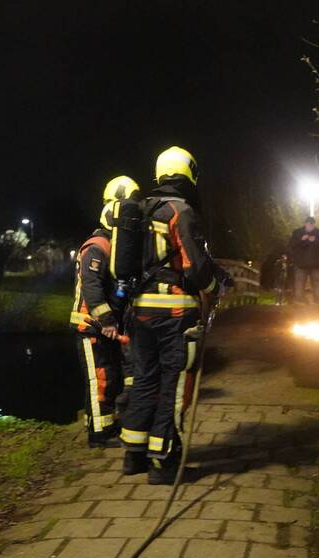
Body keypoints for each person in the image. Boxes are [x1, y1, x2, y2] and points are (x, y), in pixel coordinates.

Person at [121, 147, 225, 483]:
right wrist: (216, 286)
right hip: (175, 311)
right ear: (190, 174)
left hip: (139, 312)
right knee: (174, 384)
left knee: (144, 379)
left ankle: (134, 455)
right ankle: (163, 463)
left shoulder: (139, 210)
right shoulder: (181, 211)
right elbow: (195, 268)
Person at [71, 175, 140, 447]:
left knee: (110, 378)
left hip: (104, 327)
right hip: (89, 326)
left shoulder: (116, 247)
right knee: (99, 379)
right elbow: (91, 285)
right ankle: (98, 435)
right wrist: (108, 319)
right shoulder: (98, 246)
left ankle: (106, 426)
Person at [287, 216, 319, 304]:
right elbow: (291, 245)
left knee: (316, 284)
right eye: (308, 224)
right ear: (305, 224)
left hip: (316, 265)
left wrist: (315, 241)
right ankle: (299, 302)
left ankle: (317, 303)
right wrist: (301, 240)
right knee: (299, 284)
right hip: (300, 264)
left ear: (314, 225)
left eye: (311, 224)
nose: (309, 226)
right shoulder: (297, 233)